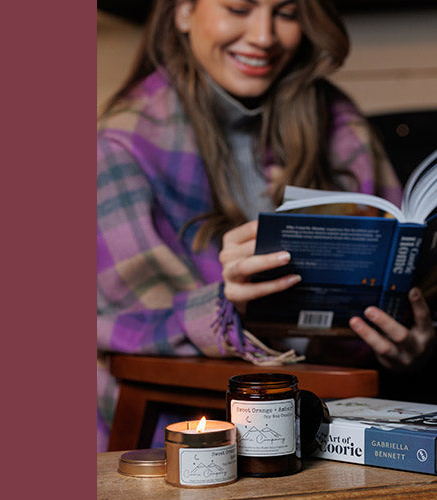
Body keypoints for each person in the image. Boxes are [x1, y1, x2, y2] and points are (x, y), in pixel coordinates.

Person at [96, 0, 436, 452]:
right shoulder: (119, 146)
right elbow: (126, 326)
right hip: (186, 433)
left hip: (337, 417)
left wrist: (410, 341)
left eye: (287, 13)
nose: (263, 37)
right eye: (239, 8)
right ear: (183, 11)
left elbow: (400, 282)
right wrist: (225, 305)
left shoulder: (338, 119)